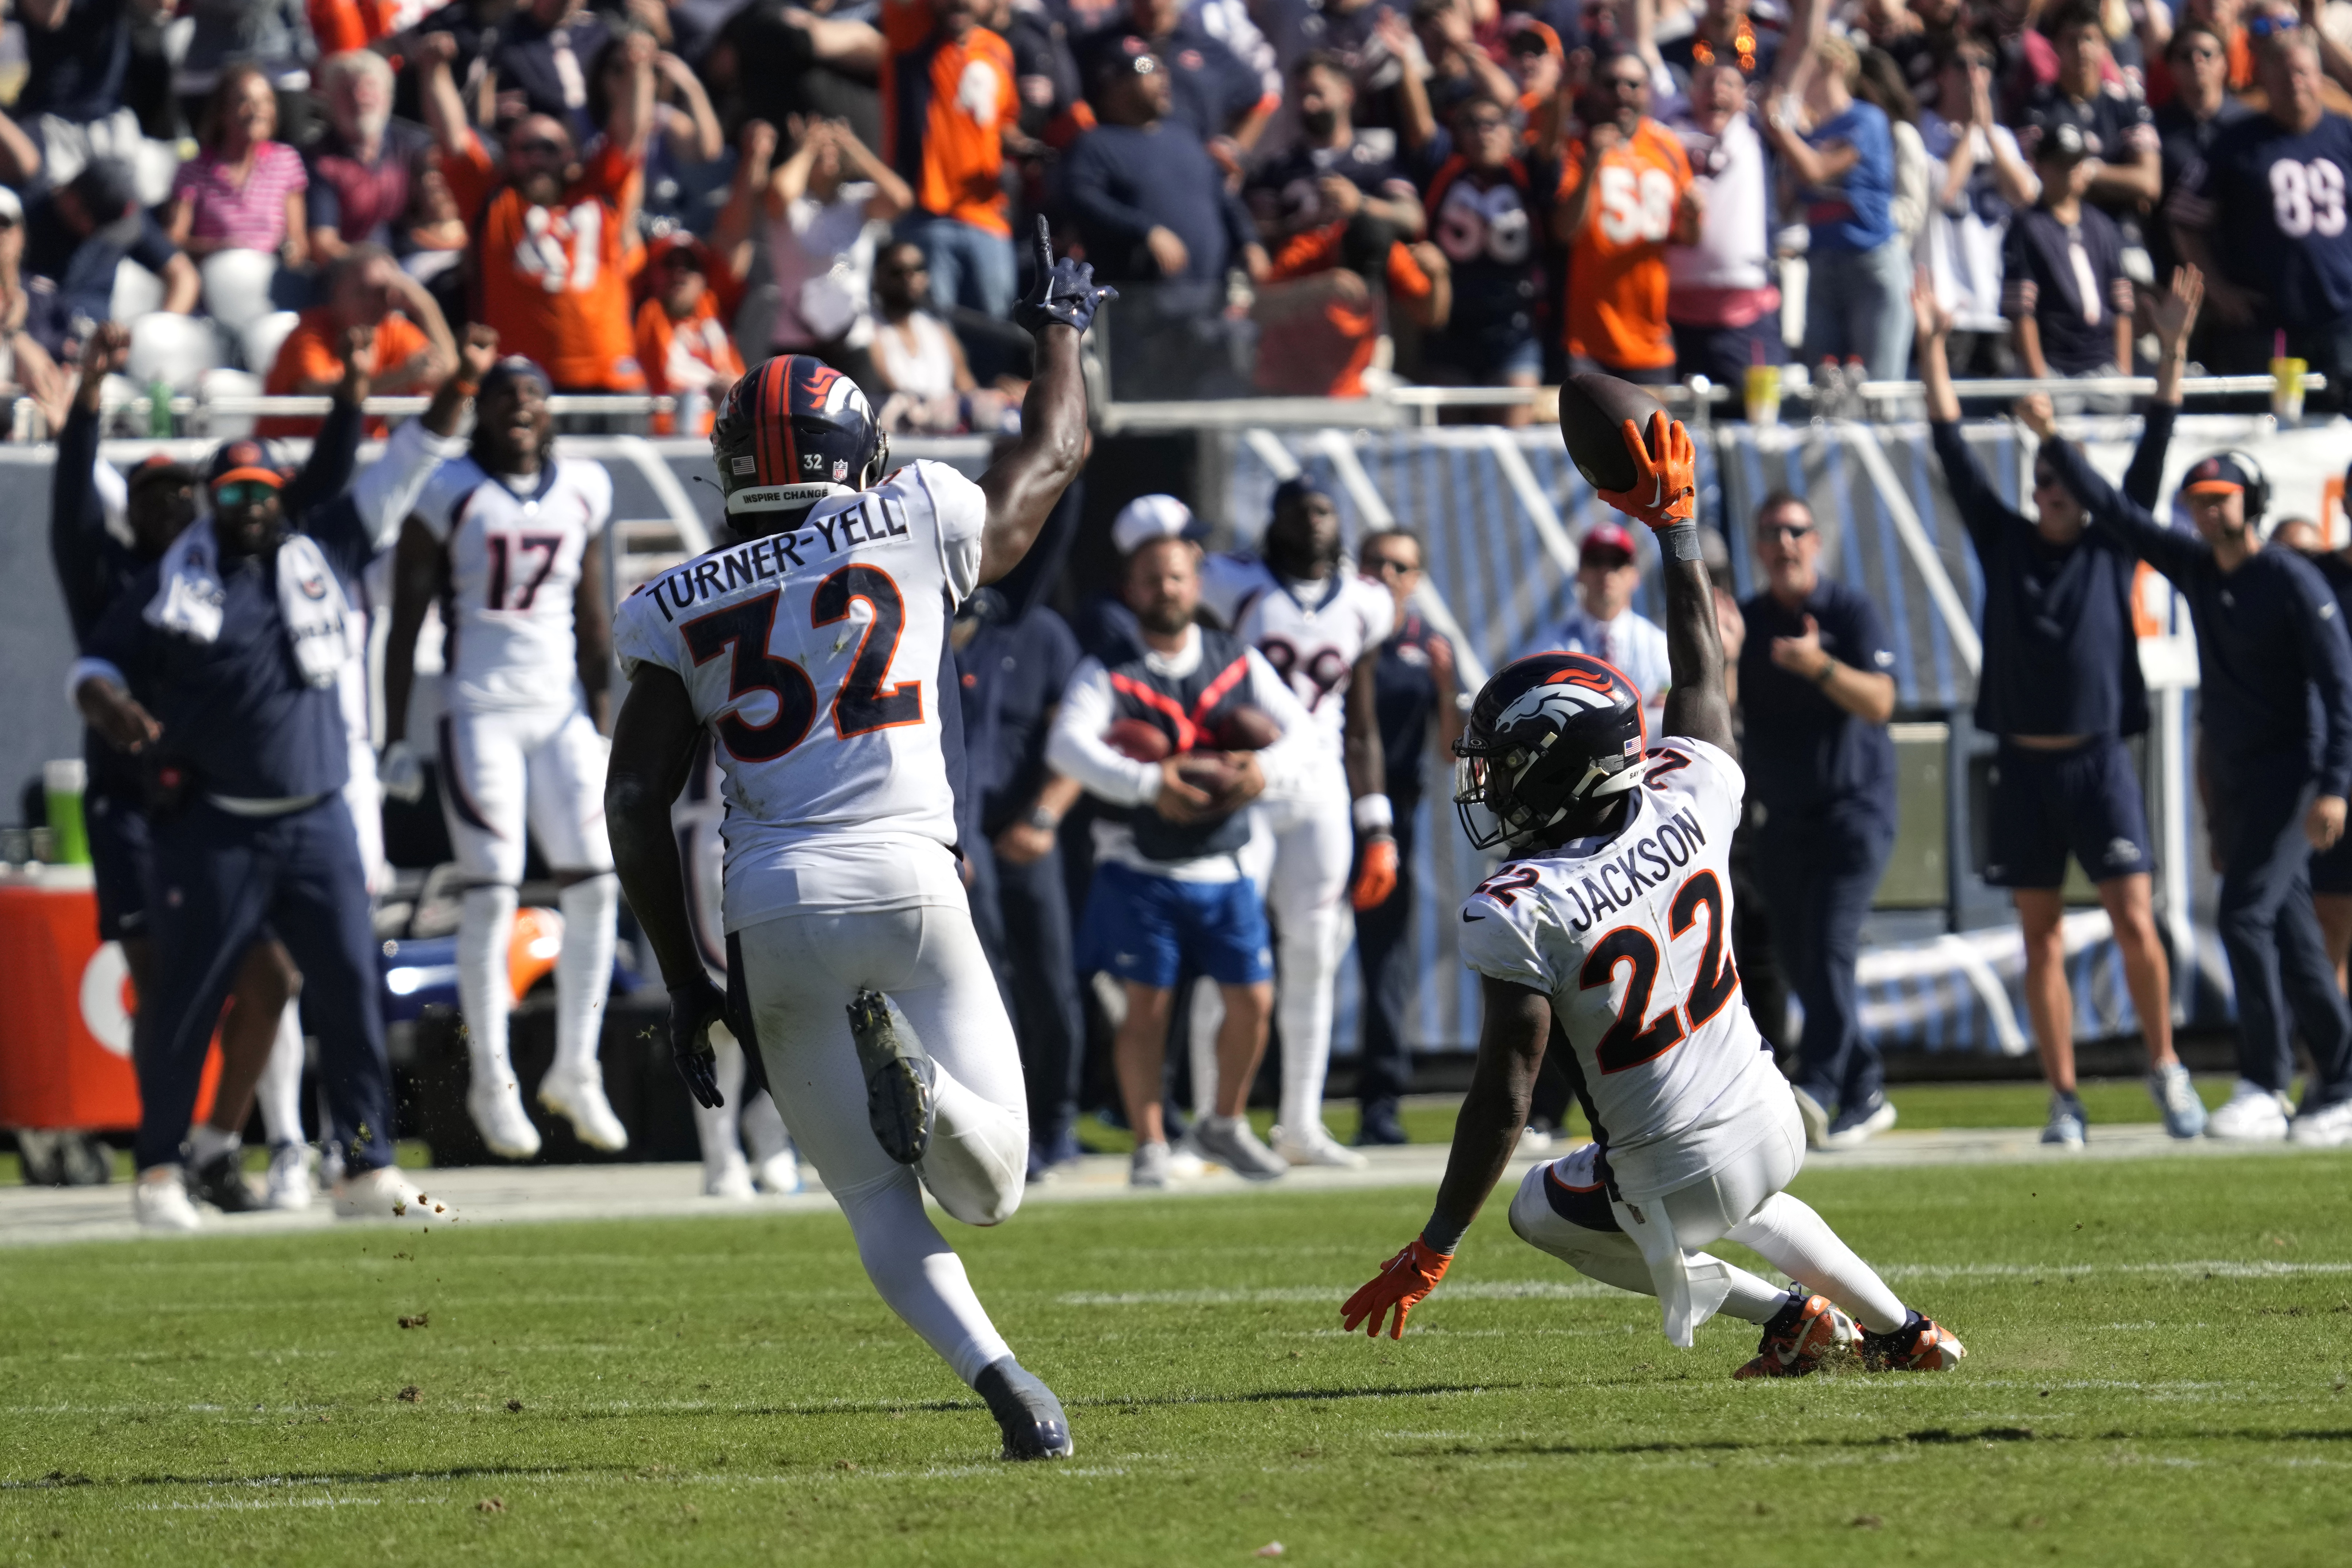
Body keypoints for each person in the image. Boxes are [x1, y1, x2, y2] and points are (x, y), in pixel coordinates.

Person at [605, 224, 1109, 1461]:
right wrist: (1059, 325)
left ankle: (1007, 1388)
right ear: (859, 452)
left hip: (767, 898)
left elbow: (633, 802)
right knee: (991, 1184)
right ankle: (928, 1091)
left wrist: (684, 977)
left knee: (872, 1198)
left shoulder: (674, 600)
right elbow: (1056, 450)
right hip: (905, 873)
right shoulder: (914, 512)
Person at [1340, 409, 1965, 1380]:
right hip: (1771, 1118)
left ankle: (1785, 1314)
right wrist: (1675, 528)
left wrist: (1435, 1238)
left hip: (1671, 1170)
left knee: (1537, 1207)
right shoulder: (1694, 793)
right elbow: (1700, 668)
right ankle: (1903, 1330)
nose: (1490, 787)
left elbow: (1507, 1091)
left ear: (1552, 775)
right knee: (1733, 1184)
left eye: (1504, 768)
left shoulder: (1518, 903)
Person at [67, 340, 461, 1231]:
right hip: (221, 825)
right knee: (186, 1003)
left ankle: (364, 1167)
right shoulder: (178, 582)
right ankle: (161, 1168)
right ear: (215, 500)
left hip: (318, 816)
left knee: (351, 994)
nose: (249, 507)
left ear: (280, 496)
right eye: (234, 493)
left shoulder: (317, 552)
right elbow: (98, 659)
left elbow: (393, 475)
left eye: (261, 491)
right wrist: (103, 701)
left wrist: (434, 393)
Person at [1915, 267, 2208, 1145]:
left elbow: (2154, 441)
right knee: (2037, 938)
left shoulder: (2110, 544)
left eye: (2062, 480)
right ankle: (2063, 1097)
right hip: (2024, 765)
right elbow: (1947, 442)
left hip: (2097, 762)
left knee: (2132, 918)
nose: (2051, 491)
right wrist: (1931, 342)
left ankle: (2165, 1069)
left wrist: (2173, 349)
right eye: (2041, 478)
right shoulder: (2002, 538)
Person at [2037, 383, 2352, 1148]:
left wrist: (2336, 785)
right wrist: (2051, 441)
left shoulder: (2290, 579)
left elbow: (2341, 685)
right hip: (2242, 782)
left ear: (2253, 500)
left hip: (2293, 776)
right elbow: (2117, 514)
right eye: (2200, 500)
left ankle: (2265, 1080)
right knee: (2290, 932)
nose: (2210, 511)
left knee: (2243, 917)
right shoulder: (2202, 572)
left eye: (2224, 498)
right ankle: (2340, 1083)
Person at [377, 354, 628, 1160]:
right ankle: (492, 1078)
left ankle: (576, 1065)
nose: (520, 405)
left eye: (534, 392)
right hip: (479, 709)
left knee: (596, 882)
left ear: (552, 410)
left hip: (558, 711)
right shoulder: (449, 492)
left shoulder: (585, 486)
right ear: (480, 411)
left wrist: (599, 716)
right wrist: (394, 734)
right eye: (504, 395)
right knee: (492, 890)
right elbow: (407, 621)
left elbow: (594, 613)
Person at [1048, 523, 1318, 1187]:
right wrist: (1148, 783)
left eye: (1175, 576)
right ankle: (1148, 1142)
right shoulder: (1108, 666)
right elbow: (1067, 747)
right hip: (1142, 865)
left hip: (1224, 862)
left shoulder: (1236, 657)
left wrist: (1260, 771)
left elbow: (1302, 737)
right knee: (1146, 1009)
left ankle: (1221, 1122)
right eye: (1150, 578)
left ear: (1195, 585)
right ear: (1130, 589)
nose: (1164, 589)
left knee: (1254, 1000)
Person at [1191, 481, 1403, 1167]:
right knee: (1224, 954)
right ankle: (1208, 1118)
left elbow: (1363, 723)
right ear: (1274, 522)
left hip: (1318, 791)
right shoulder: (1232, 583)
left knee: (1314, 956)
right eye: (1300, 512)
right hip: (1249, 783)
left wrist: (1377, 824)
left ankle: (1299, 1122)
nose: (1313, 523)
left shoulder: (1366, 601)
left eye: (1324, 510)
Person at [1738, 491, 1901, 1149]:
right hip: (1781, 817)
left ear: (1815, 541)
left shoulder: (1846, 610)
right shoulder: (1747, 622)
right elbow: (1721, 703)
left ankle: (1821, 1088)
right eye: (1771, 532)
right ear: (1757, 547)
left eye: (1795, 531)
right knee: (1799, 959)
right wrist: (1722, 655)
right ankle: (1866, 1083)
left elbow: (1881, 700)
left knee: (1830, 945)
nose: (1784, 543)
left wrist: (1820, 666)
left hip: (1853, 808)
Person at [415, 27, 654, 397]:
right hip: (522, 382)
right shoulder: (492, 202)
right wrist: (434, 71)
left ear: (569, 155)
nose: (537, 157)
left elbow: (630, 133)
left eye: (548, 147)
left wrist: (638, 70)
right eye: (525, 148)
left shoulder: (600, 193)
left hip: (611, 376)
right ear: (509, 158)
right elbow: (453, 137)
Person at [954, 565, 1089, 1180]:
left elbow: (1080, 733)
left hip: (1030, 828)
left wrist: (1042, 816)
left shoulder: (1045, 633)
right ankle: (1012, 1124)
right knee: (987, 991)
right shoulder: (936, 627)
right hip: (960, 833)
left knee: (1051, 980)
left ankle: (1059, 1117)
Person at [1059, 45, 1266, 398]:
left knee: (1211, 401)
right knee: (1149, 408)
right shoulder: (1095, 145)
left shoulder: (1183, 136)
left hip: (1209, 304)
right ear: (1115, 85)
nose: (1162, 76)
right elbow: (1082, 200)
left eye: (1162, 67)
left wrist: (1250, 241)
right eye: (1146, 68)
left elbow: (1221, 194)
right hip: (1143, 315)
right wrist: (1146, 230)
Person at [2168, 12, 2352, 398]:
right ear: (2264, 78)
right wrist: (2218, 291)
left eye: (2302, 72)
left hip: (2341, 316)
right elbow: (2184, 220)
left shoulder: (2344, 134)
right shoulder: (2234, 143)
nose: (2293, 82)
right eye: (2282, 73)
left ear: (2319, 76)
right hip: (2269, 323)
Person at [1352, 526, 1459, 1147]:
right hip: (1327, 803)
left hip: (1394, 812)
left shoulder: (1425, 645)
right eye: (1377, 562)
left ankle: (1379, 1101)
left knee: (1385, 961)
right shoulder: (1335, 627)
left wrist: (1447, 688)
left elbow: (1450, 750)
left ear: (1416, 579)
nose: (1388, 575)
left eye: (1401, 566)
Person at [670, 738, 804, 1199]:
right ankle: (721, 1154)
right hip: (716, 821)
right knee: (721, 1007)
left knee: (805, 1001)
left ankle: (772, 1127)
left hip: (798, 827)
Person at [1765, 31, 1911, 380]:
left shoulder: (1866, 119)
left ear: (1836, 65)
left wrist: (1779, 130)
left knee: (1877, 386)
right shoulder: (1805, 134)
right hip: (1822, 261)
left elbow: (1816, 171)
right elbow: (1785, 205)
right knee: (1824, 386)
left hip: (1869, 263)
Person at [1552, 49, 1701, 384]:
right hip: (1588, 340)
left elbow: (1688, 238)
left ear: (1648, 91)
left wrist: (1692, 215)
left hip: (1651, 338)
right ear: (1594, 89)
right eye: (1611, 83)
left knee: (1650, 437)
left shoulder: (1668, 147)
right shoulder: (1577, 147)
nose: (1622, 92)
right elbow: (1564, 231)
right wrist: (1591, 164)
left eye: (1633, 84)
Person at [886, 0, 1023, 320]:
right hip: (927, 214)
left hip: (989, 216)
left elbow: (1004, 120)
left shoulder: (998, 49)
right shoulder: (913, 34)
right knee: (933, 333)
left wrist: (1019, 143)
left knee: (997, 333)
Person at [1419, 94, 1551, 421]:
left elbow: (1552, 144)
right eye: (1470, 125)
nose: (1482, 133)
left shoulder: (1527, 175)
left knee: (1513, 440)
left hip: (1513, 330)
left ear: (1510, 132)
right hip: (1450, 332)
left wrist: (1559, 92)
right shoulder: (1440, 172)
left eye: (1492, 124)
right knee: (1450, 449)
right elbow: (1419, 129)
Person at [1918, 34, 2039, 377]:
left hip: (1991, 301)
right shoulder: (1922, 129)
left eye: (1982, 65)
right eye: (1961, 65)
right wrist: (1973, 130)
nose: (1973, 74)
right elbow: (1943, 192)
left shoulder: (2000, 138)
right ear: (1942, 75)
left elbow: (2024, 195)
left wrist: (1986, 130)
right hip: (1943, 303)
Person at [1662, 60, 1785, 389]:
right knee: (1676, 427)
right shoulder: (1666, 136)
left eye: (1729, 83)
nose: (1716, 90)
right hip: (1677, 316)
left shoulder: (1757, 134)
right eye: (1707, 82)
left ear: (1746, 97)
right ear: (1690, 94)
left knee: (1760, 422)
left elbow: (1797, 59)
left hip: (1747, 318)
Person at [260, 244, 456, 437]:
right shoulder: (310, 332)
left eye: (381, 293)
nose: (372, 303)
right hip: (295, 454)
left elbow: (449, 373)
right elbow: (320, 393)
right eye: (362, 292)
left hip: (366, 455)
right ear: (336, 291)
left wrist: (424, 305)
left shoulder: (393, 330)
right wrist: (402, 376)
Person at [765, 115, 912, 364]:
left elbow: (901, 200)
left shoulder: (856, 201)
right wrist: (807, 150)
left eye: (833, 150)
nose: (827, 153)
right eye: (820, 149)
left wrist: (855, 149)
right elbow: (779, 192)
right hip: (796, 339)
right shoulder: (793, 204)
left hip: (853, 339)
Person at [22, 160, 199, 366]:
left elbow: (183, 275)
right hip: (38, 353)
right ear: (72, 202)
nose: (105, 234)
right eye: (100, 225)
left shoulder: (119, 220)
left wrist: (157, 332)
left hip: (100, 356)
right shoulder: (25, 220)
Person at [2020, 0, 2164, 248]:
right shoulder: (2037, 110)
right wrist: (2120, 182)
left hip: (2124, 238)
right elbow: (2036, 185)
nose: (2081, 49)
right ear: (2055, 47)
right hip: (2058, 239)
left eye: (2089, 39)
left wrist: (2089, 172)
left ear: (2104, 46)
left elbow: (2149, 183)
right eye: (2071, 40)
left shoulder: (2126, 105)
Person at [165, 61, 310, 308]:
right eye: (245, 101)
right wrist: (220, 250)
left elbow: (298, 239)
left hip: (268, 286)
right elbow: (173, 239)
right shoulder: (194, 169)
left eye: (265, 101)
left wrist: (290, 251)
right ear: (223, 113)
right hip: (213, 288)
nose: (257, 111)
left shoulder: (286, 161)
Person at [1247, 51, 1425, 245]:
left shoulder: (1379, 159)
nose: (1309, 104)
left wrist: (1360, 205)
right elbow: (1255, 231)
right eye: (1302, 95)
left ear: (1347, 94)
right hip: (1300, 268)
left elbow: (1413, 218)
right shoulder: (1278, 167)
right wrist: (1300, 223)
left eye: (1317, 93)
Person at [2004, 119, 2136, 379]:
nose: (2070, 171)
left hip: (2104, 365)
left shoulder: (2101, 225)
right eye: (2060, 164)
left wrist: (2123, 372)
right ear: (2039, 168)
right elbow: (2021, 311)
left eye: (2075, 163)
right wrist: (2039, 377)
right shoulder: (2027, 227)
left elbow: (2121, 303)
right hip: (2055, 367)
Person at [1524, 519, 1669, 734]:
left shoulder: (1659, 644)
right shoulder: (1549, 649)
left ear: (1634, 576)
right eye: (1595, 561)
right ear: (1578, 574)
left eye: (1617, 562)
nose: (1606, 572)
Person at [305, 50, 436, 267]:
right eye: (347, 90)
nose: (360, 97)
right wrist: (379, 271)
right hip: (352, 278)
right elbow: (323, 246)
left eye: (369, 87)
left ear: (389, 96)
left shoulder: (414, 147)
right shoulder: (319, 162)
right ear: (329, 101)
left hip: (417, 261)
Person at [2150, 21, 2250, 287]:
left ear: (2224, 64)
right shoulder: (2154, 130)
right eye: (2185, 55)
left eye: (2207, 54)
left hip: (2247, 276)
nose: (2197, 61)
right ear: (2170, 67)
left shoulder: (2250, 125)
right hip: (2175, 280)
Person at [635, 232, 746, 436]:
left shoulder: (712, 308)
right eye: (670, 264)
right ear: (653, 273)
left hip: (730, 434)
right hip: (674, 437)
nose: (680, 273)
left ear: (703, 277)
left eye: (690, 266)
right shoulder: (649, 314)